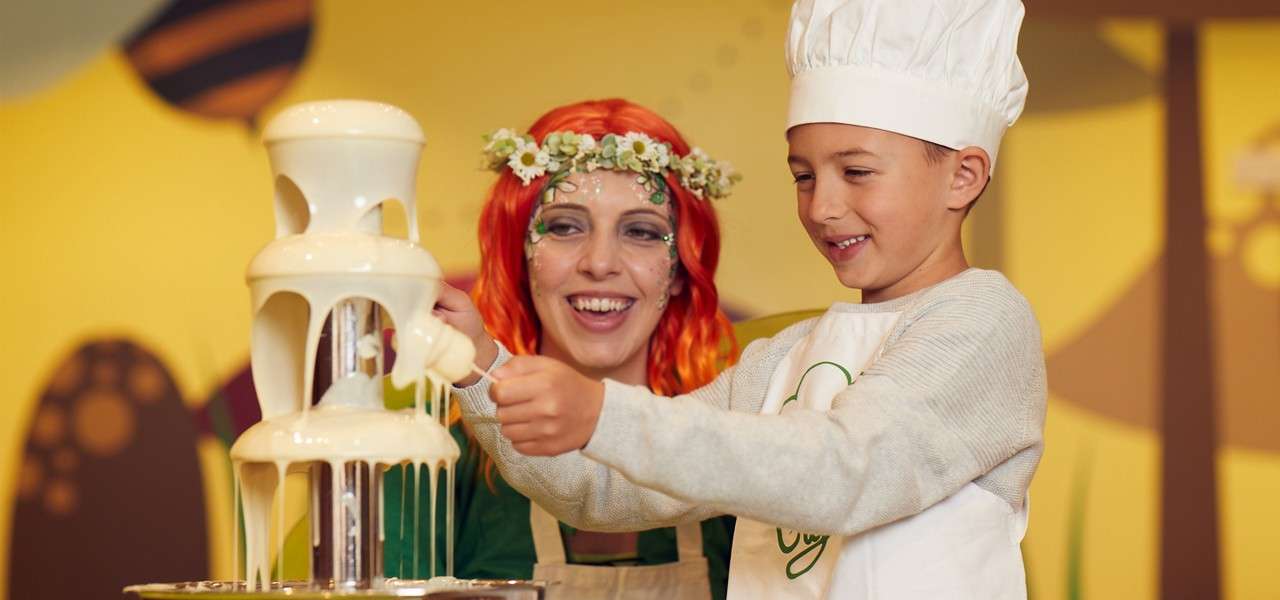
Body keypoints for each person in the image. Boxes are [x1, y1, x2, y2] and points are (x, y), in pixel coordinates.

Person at [446, 1, 1046, 598]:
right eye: (804, 176)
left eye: (856, 172)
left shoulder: (982, 321)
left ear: (963, 176)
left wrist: (604, 413)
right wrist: (477, 363)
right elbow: (601, 489)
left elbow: (846, 471)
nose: (822, 207)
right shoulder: (786, 357)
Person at [385, 98, 742, 600]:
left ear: (682, 269)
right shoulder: (433, 456)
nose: (599, 263)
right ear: (519, 256)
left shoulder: (734, 447)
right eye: (564, 227)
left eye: (641, 232)